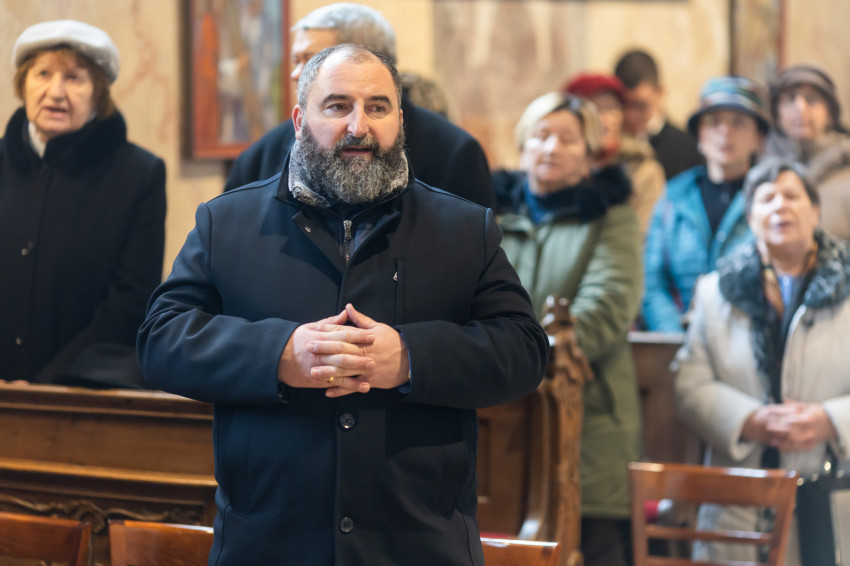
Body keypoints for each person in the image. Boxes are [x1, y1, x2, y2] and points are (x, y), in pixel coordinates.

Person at [137, 44, 549, 565]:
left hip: (418, 544)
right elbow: (161, 339)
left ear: (400, 120)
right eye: (337, 106)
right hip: (269, 544)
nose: (359, 126)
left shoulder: (465, 228)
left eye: (378, 107)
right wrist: (279, 354)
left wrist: (410, 356)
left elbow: (524, 348)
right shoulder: (226, 222)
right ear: (299, 120)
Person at [674, 158, 850, 565]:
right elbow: (689, 383)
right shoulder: (715, 292)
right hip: (739, 492)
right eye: (766, 198)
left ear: (816, 212)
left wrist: (829, 418)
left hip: (832, 487)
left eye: (792, 196)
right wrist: (751, 420)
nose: (779, 206)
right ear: (751, 218)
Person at [493, 92, 643, 566]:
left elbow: (607, 305)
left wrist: (523, 354)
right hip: (501, 416)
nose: (551, 148)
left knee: (591, 547)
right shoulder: (490, 215)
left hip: (586, 413)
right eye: (541, 136)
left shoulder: (611, 217)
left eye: (567, 139)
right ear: (523, 146)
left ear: (590, 152)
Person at [0, 19, 166, 385]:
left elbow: (130, 302)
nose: (56, 92)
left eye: (75, 78)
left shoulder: (139, 175)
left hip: (81, 392)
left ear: (99, 93)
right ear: (23, 84)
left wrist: (47, 386)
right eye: (43, 74)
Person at [224, 2, 494, 209]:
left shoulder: (454, 154)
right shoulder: (259, 158)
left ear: (367, 59)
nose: (296, 74)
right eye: (295, 60)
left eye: (311, 60)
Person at [643, 77, 770, 332]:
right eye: (713, 121)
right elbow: (652, 282)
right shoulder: (674, 197)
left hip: (750, 338)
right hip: (678, 340)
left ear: (759, 138)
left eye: (738, 122)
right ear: (699, 134)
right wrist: (677, 338)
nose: (725, 132)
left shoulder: (771, 199)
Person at [563, 72, 666, 237]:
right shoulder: (562, 169)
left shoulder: (642, 170)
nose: (606, 120)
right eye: (596, 110)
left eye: (612, 109)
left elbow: (643, 238)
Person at [764, 64, 850, 241]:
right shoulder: (759, 173)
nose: (800, 108)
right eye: (790, 99)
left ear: (830, 114)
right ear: (777, 114)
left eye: (811, 99)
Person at [614, 48, 704, 180]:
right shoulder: (608, 147)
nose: (631, 115)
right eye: (624, 104)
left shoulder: (686, 149)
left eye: (641, 105)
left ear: (660, 92)